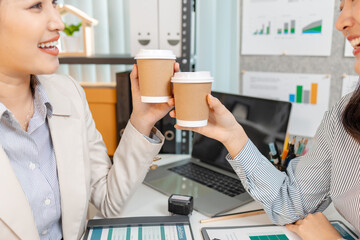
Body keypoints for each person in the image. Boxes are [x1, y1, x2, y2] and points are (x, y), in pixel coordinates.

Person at [170, 0, 360, 239]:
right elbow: (290, 205)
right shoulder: (343, 115)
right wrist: (232, 136)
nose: (341, 22)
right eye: (341, 7)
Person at [0, 1, 176, 239]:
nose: (59, 23)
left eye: (53, 4)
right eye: (36, 6)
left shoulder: (69, 93)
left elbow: (107, 201)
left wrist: (142, 120)